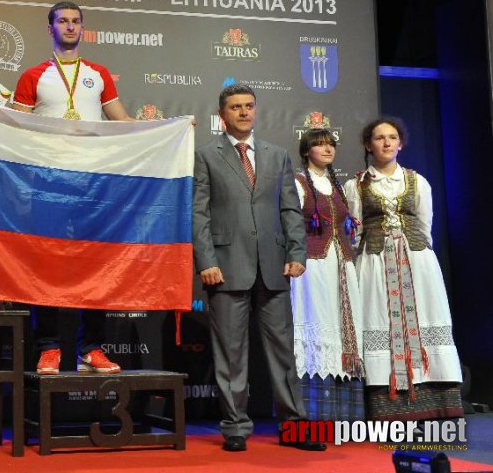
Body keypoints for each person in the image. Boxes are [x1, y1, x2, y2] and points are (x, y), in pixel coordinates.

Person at [192, 83, 325, 452]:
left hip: (274, 266)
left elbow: (289, 210)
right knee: (231, 353)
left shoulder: (276, 154)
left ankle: (293, 426)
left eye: (249, 106)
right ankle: (235, 426)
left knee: (283, 351)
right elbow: (198, 214)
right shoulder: (205, 156)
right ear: (223, 115)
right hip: (225, 267)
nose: (244, 112)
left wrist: (297, 252)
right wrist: (207, 261)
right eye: (235, 107)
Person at [11, 1, 136, 376]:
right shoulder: (33, 76)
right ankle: (48, 347)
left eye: (75, 22)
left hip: (92, 180)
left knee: (94, 262)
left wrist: (167, 129)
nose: (69, 27)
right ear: (49, 28)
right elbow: (15, 128)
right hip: (47, 183)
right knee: (46, 263)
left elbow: (122, 121)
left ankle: (92, 348)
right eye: (62, 21)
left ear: (83, 28)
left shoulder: (98, 74)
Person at [343, 118, 463, 421]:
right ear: (368, 145)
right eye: (380, 138)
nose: (386, 143)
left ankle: (435, 400)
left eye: (392, 137)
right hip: (375, 260)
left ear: (400, 143)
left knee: (423, 318)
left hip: (416, 261)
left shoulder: (417, 181)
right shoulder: (355, 185)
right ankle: (390, 404)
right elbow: (354, 233)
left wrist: (413, 252)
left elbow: (425, 224)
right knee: (380, 318)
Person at [291, 129, 364, 421]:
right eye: (319, 144)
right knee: (316, 320)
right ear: (306, 151)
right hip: (313, 265)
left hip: (341, 264)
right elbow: (291, 226)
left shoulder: (339, 186)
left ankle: (344, 414)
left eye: (330, 144)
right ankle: (311, 412)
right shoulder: (298, 184)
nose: (327, 148)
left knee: (343, 324)